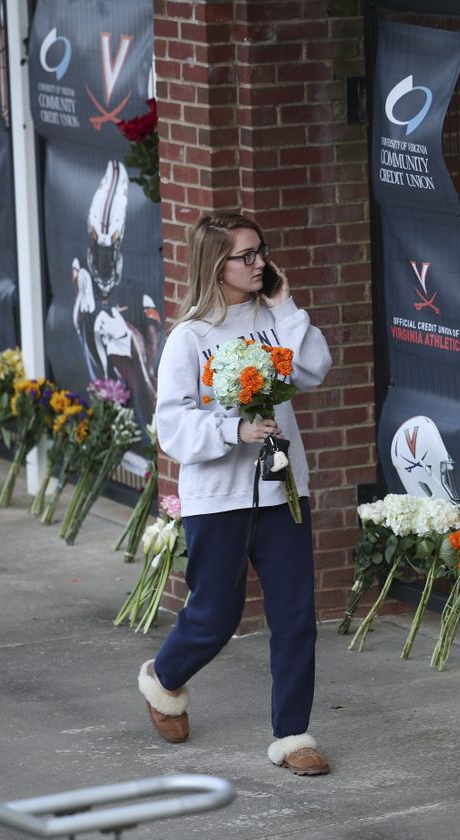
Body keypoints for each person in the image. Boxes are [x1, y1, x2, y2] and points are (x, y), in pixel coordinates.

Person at [136, 212, 334, 776]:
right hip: (218, 497)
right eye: (246, 257)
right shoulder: (191, 337)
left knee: (295, 617)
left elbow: (317, 368)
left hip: (283, 490)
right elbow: (171, 427)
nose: (259, 264)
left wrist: (287, 307)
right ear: (214, 265)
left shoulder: (276, 318)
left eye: (261, 252)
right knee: (215, 617)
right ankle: (164, 679)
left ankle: (293, 735)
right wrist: (232, 430)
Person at [72, 160, 163, 433]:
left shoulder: (137, 288)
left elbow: (151, 338)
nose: (102, 261)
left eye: (108, 253)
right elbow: (83, 331)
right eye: (98, 254)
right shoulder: (85, 281)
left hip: (134, 379)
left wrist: (131, 337)